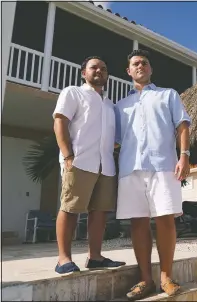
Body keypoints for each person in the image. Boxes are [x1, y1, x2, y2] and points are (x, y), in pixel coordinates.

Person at [114, 49, 191, 300]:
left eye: (144, 63)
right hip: (129, 169)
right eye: (135, 63)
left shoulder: (168, 95)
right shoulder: (120, 106)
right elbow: (114, 140)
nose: (140, 66)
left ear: (150, 69)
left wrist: (184, 156)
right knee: (138, 222)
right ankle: (145, 279)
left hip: (163, 166)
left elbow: (182, 125)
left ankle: (166, 277)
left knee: (165, 219)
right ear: (129, 71)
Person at [52, 56, 125, 275]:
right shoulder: (72, 92)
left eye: (103, 68)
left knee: (100, 212)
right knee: (70, 208)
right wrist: (67, 156)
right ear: (84, 72)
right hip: (79, 161)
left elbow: (115, 136)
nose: (99, 71)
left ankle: (95, 257)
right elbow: (60, 122)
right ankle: (63, 259)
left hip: (105, 165)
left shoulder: (110, 105)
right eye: (94, 68)